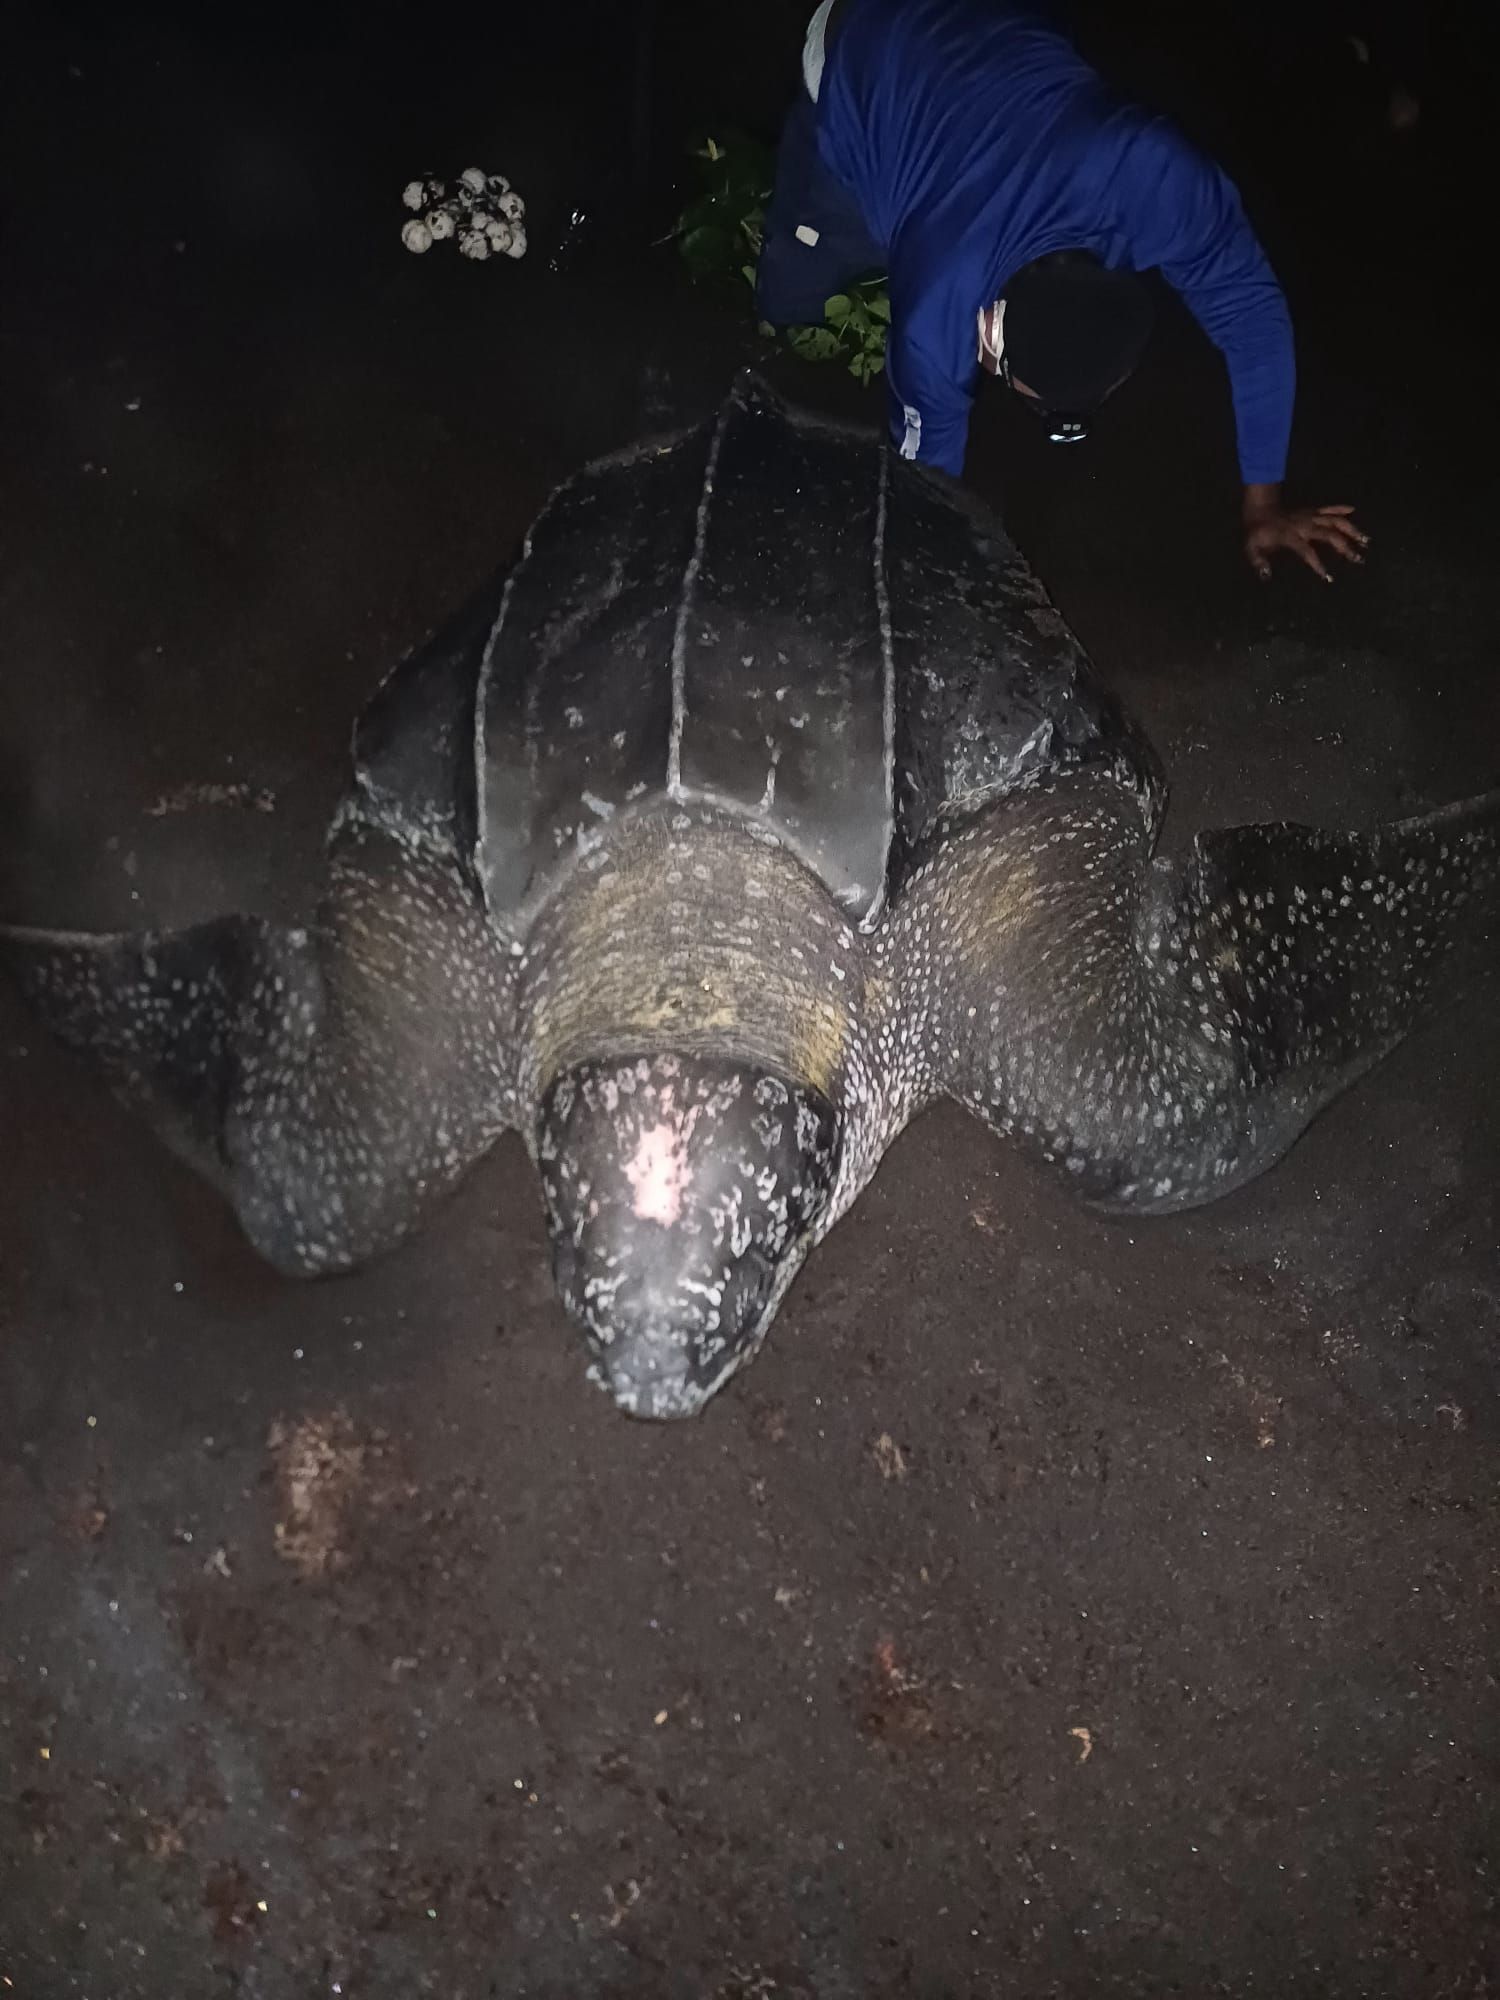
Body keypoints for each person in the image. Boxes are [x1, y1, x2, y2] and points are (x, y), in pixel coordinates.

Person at [756, 0, 1369, 583]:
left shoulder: (1161, 183)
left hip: (997, 44)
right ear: (987, 330)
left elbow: (1254, 318)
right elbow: (923, 485)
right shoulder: (936, 311)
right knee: (788, 303)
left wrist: (1264, 506)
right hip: (864, 36)